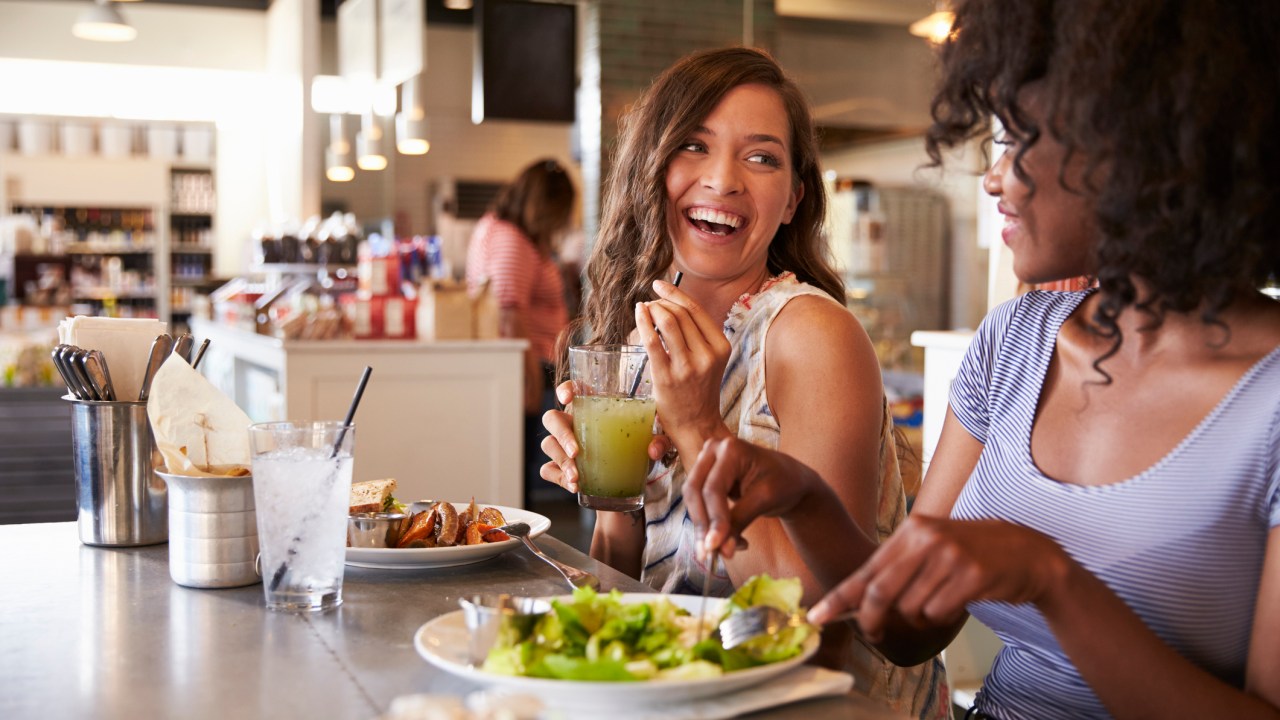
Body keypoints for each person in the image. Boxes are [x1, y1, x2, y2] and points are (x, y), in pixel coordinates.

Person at [683, 1, 1280, 718]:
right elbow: (903, 632)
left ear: (1139, 144)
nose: (993, 179)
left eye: (1016, 139)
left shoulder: (1266, 398)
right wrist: (806, 498)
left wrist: (1050, 578)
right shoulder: (1014, 343)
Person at [537, 47, 949, 718]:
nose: (723, 180)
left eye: (761, 157)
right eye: (694, 146)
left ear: (792, 200)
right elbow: (631, 582)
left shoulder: (811, 336)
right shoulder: (644, 341)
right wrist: (609, 494)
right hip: (699, 691)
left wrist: (700, 429)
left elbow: (810, 616)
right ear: (653, 169)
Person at [465, 158, 576, 504]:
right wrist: (528, 382)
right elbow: (512, 313)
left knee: (523, 465)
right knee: (524, 469)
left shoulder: (500, 230)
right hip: (529, 368)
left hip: (530, 366)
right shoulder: (511, 239)